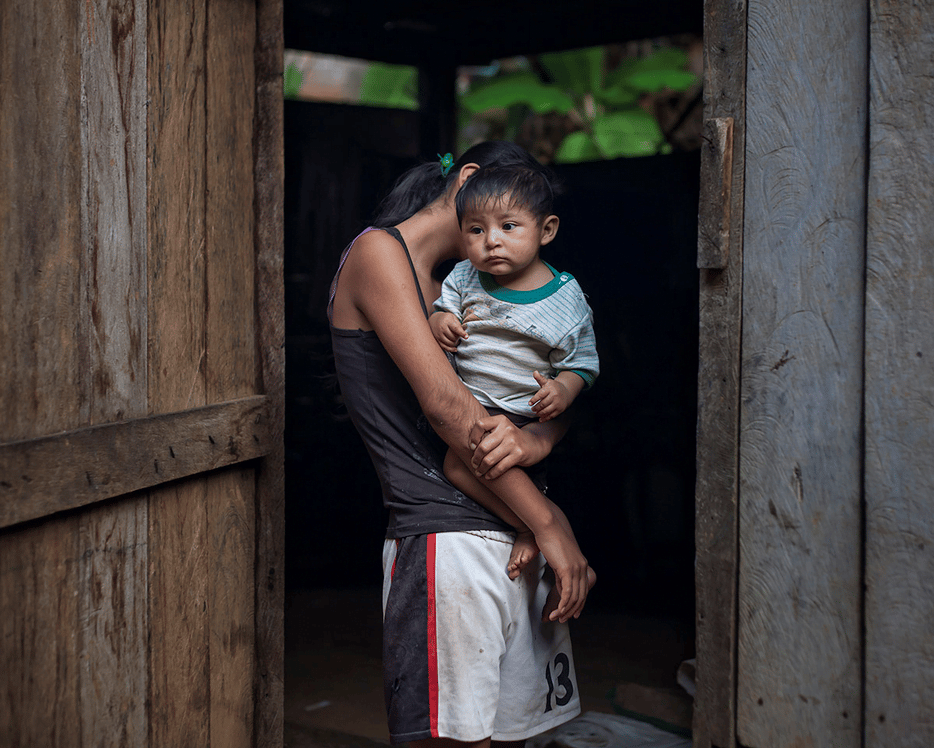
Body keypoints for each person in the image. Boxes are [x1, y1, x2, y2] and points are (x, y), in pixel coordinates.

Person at [328, 142, 593, 747]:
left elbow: (550, 392)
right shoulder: (380, 254)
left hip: (513, 527)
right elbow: (448, 407)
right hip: (447, 539)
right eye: (488, 222)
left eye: (514, 224)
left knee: (513, 738)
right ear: (469, 180)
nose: (499, 241)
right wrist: (552, 523)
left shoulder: (468, 287)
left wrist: (540, 436)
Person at [428, 164, 599, 590]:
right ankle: (529, 525)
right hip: (473, 407)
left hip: (523, 414)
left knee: (466, 464)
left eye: (508, 226)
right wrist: (438, 321)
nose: (492, 241)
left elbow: (582, 363)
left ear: (546, 230)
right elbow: (438, 308)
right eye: (476, 230)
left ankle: (534, 525)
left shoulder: (564, 297)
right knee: (458, 465)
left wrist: (563, 387)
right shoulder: (465, 276)